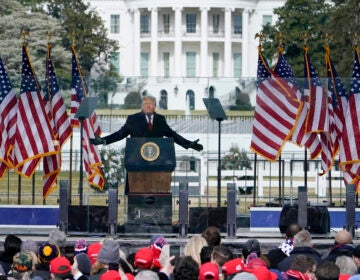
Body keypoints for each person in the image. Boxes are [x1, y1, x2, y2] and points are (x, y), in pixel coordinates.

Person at [90, 95, 203, 151]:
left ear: (155, 106)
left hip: (157, 160)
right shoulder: (133, 119)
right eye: (145, 104)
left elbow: (172, 135)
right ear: (141, 106)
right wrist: (104, 140)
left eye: (151, 104)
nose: (148, 106)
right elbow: (120, 134)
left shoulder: (160, 119)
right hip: (137, 159)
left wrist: (189, 144)